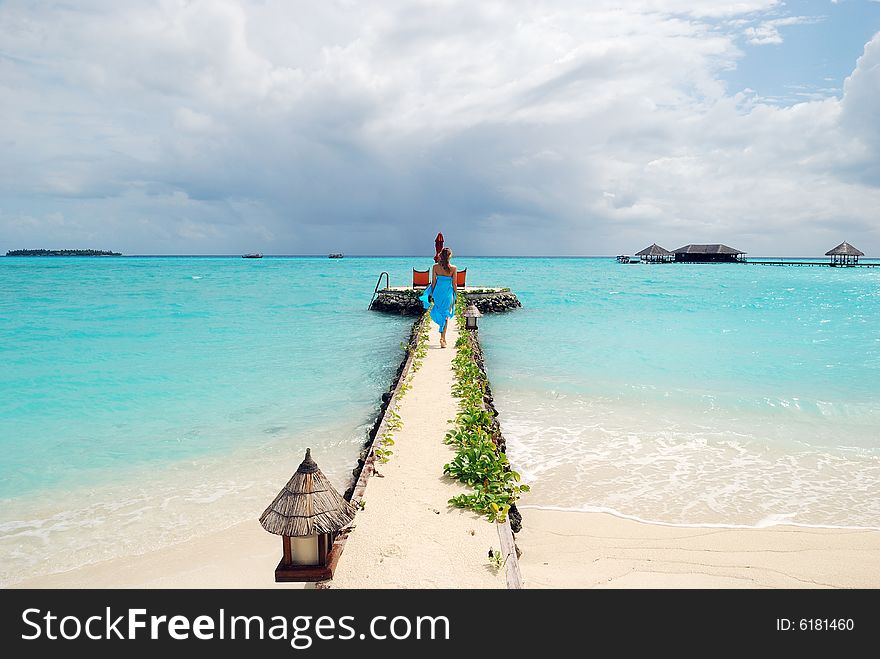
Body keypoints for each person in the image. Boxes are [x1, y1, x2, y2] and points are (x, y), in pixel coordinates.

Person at [418, 247, 457, 348]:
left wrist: (432, 294)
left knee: (441, 313)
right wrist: (455, 295)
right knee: (446, 315)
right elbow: (454, 284)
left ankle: (442, 336)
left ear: (441, 256)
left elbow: (433, 282)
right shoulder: (453, 268)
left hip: (438, 293)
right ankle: (443, 338)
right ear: (449, 256)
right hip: (448, 294)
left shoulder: (435, 267)